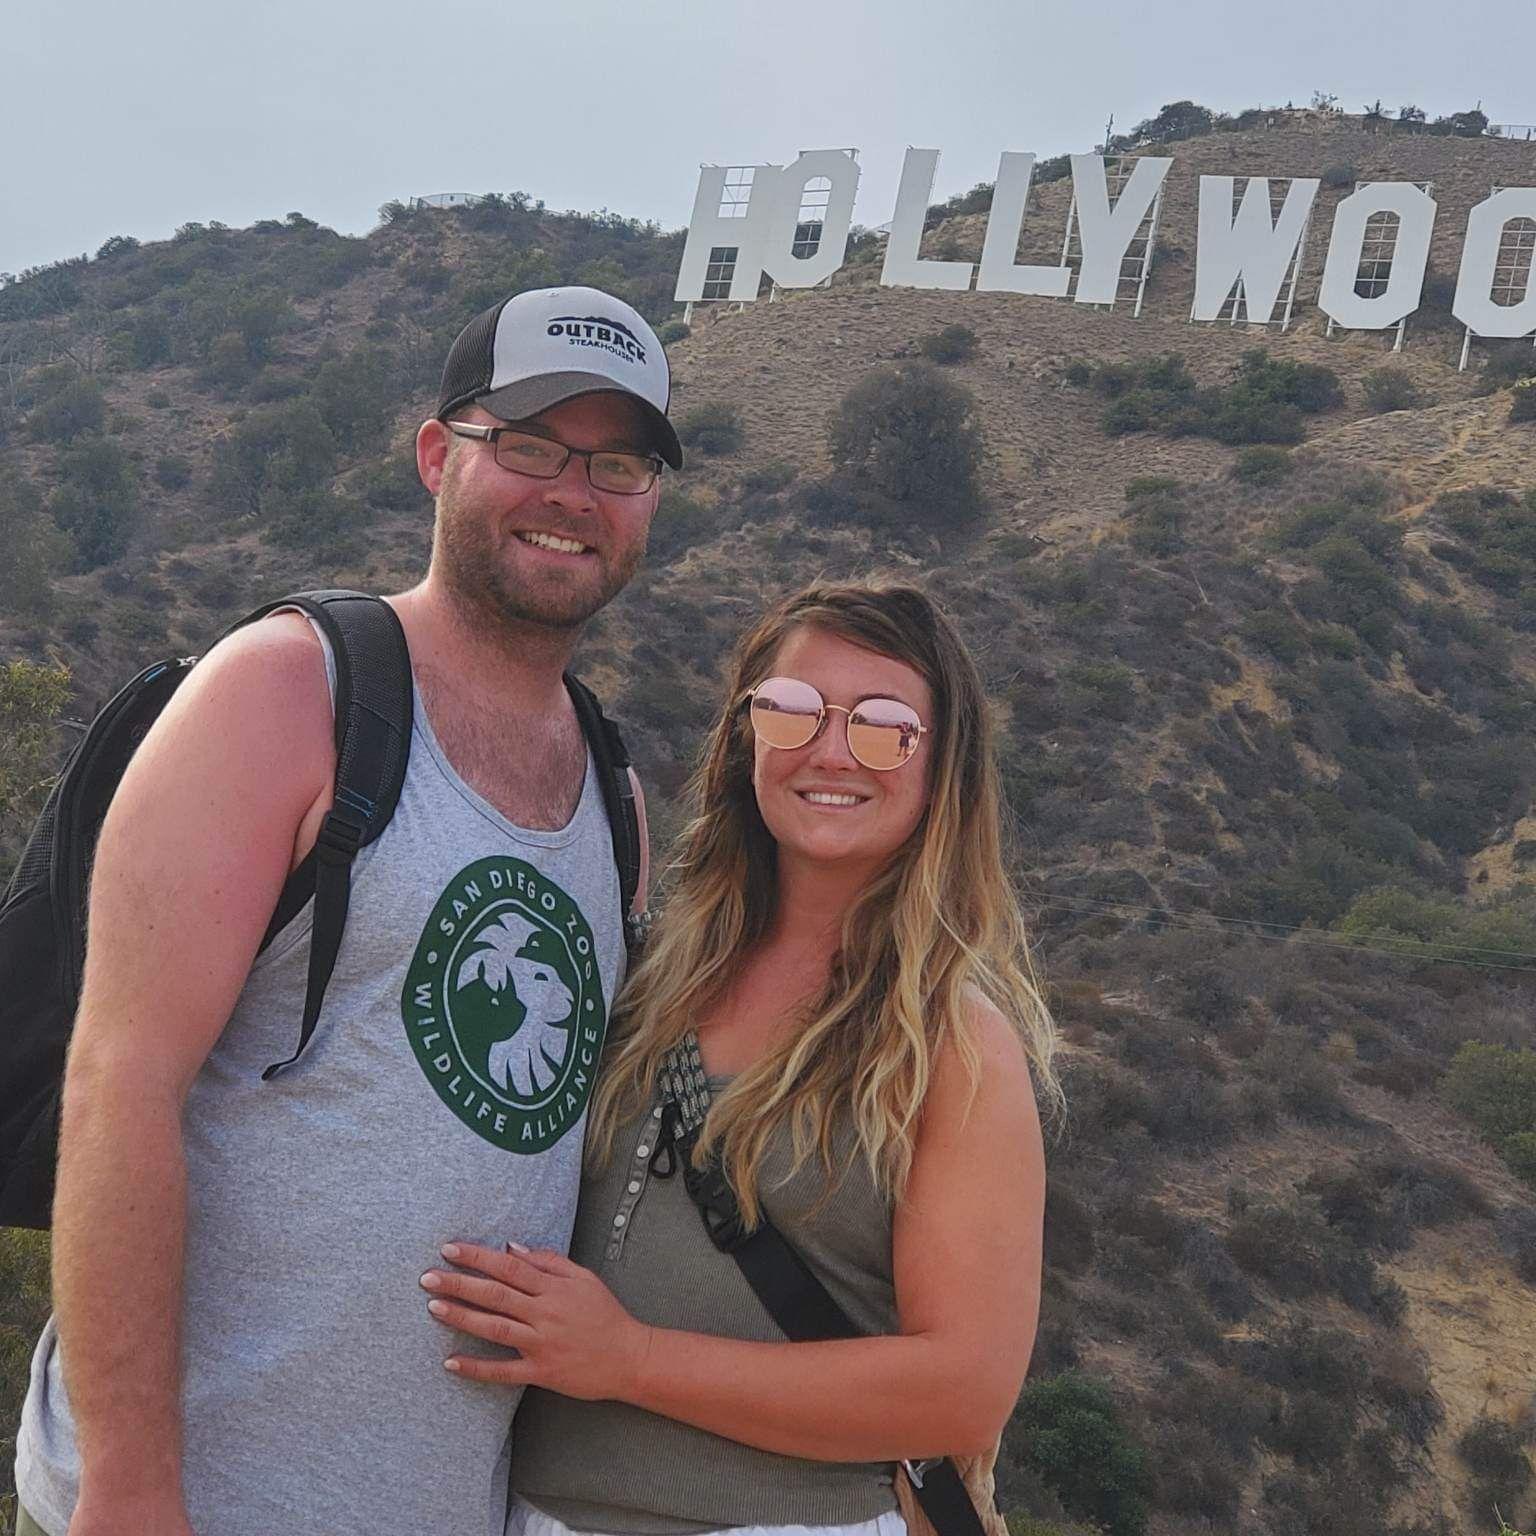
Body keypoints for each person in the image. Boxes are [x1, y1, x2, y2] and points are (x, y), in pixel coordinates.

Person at [14, 285, 682, 1536]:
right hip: (199, 1501)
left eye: (619, 464)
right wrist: (130, 1490)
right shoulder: (287, 693)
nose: (573, 493)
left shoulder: (616, 795)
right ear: (439, 454)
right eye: (529, 445)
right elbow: (121, 1080)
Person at [418, 579, 1065, 1536]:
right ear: (746, 738)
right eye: (794, 710)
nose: (832, 751)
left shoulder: (952, 1045)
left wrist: (629, 1358)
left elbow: (960, 1390)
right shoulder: (646, 970)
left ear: (942, 773)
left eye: (886, 726)